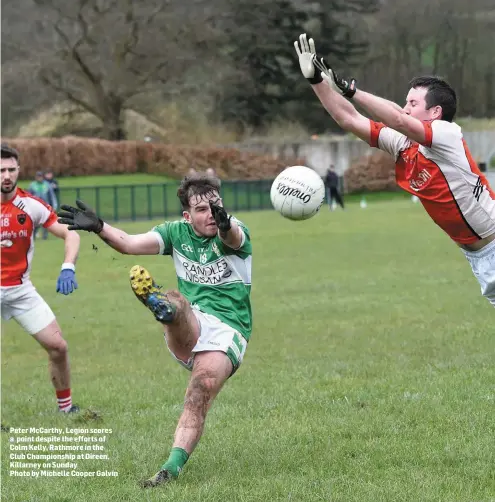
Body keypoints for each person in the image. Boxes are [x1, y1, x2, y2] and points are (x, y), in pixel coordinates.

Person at [57, 174, 253, 487]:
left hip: (229, 330)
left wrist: (225, 222)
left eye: (215, 206)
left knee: (200, 390)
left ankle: (169, 470)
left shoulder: (232, 230)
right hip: (192, 323)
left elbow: (234, 237)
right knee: (179, 303)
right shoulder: (175, 233)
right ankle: (162, 308)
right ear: (187, 216)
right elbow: (128, 244)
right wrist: (99, 226)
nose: (211, 214)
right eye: (202, 209)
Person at [294, 34, 495, 306]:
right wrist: (317, 81)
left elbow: (399, 119)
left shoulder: (446, 134)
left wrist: (352, 91)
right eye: (406, 102)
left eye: (413, 103)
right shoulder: (404, 146)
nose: (405, 108)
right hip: (478, 256)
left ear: (435, 112)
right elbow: (349, 118)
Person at [1, 144, 80, 412]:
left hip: (21, 291)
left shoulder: (31, 205)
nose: (6, 176)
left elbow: (71, 233)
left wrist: (68, 266)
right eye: (1, 170)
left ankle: (66, 409)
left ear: (19, 170)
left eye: (11, 169)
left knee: (58, 346)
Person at [28, 171, 57, 240]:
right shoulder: (32, 185)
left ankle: (45, 237)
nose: (39, 178)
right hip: (35, 207)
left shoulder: (47, 185)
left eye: (40, 176)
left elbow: (52, 196)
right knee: (35, 223)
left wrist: (54, 206)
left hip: (45, 207)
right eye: (38, 176)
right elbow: (28, 196)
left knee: (46, 222)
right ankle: (33, 236)